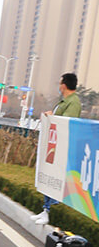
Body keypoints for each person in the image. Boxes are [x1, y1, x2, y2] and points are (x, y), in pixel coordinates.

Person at [33, 72, 82, 225]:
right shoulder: (64, 101)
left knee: (54, 180)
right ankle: (45, 210)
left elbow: (66, 123)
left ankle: (48, 210)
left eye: (60, 83)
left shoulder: (73, 103)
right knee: (48, 177)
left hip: (61, 148)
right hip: (53, 147)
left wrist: (52, 117)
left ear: (64, 85)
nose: (59, 86)